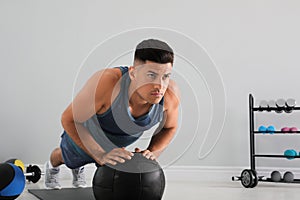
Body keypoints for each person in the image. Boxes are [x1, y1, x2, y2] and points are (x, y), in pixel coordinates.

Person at [45, 38, 180, 189]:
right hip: (86, 131)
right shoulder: (107, 82)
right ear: (133, 73)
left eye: (166, 76)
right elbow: (69, 119)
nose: (160, 86)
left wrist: (152, 152)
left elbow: (169, 127)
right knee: (68, 158)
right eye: (151, 75)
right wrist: (99, 154)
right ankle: (52, 166)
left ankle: (80, 166)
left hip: (117, 143)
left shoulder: (169, 95)